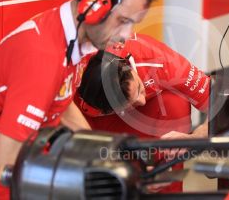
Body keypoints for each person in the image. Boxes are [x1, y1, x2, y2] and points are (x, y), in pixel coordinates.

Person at [0, 0, 154, 198]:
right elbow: (6, 167)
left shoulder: (78, 38)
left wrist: (105, 154)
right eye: (123, 20)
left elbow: (61, 97)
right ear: (93, 7)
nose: (127, 35)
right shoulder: (42, 58)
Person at [75, 33, 210, 192]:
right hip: (88, 123)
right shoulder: (66, 77)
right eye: (126, 105)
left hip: (150, 117)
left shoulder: (158, 59)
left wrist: (195, 138)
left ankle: (166, 183)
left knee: (174, 101)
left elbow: (218, 104)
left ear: (130, 65)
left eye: (139, 88)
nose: (141, 100)